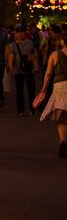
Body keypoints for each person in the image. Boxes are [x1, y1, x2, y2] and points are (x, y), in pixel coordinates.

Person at [39, 30, 67, 158]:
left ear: (62, 41)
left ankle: (62, 141)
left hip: (60, 86)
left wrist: (44, 88)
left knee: (61, 116)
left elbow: (49, 73)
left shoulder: (55, 55)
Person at [9, 24, 36, 116]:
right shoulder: (13, 45)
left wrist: (31, 57)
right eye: (18, 33)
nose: (20, 34)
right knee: (19, 91)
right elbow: (11, 57)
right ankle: (20, 110)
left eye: (22, 32)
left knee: (31, 90)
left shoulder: (30, 43)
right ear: (15, 34)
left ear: (25, 33)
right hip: (18, 71)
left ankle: (33, 109)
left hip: (29, 70)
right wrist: (11, 68)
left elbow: (35, 53)